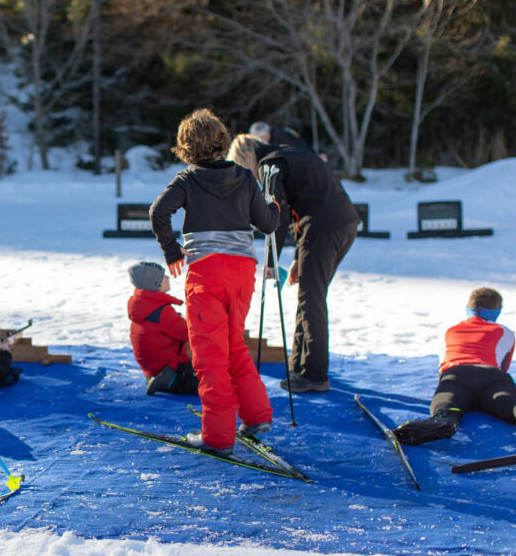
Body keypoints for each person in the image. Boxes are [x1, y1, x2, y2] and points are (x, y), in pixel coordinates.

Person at [149, 109, 281, 457]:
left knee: (210, 355)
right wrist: (274, 206)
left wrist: (172, 251)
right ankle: (257, 416)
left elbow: (158, 212)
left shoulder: (187, 179)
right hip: (241, 273)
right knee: (233, 344)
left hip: (206, 274)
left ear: (186, 147)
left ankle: (218, 437)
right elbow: (267, 224)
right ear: (222, 141)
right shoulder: (243, 176)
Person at [227, 134, 358, 393]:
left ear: (246, 159)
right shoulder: (291, 153)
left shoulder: (269, 165)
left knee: (311, 299)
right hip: (343, 224)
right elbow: (307, 198)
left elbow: (276, 211)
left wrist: (270, 261)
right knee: (309, 296)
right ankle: (299, 366)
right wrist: (299, 256)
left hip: (322, 228)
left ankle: (314, 375)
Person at [394, 288, 516, 445]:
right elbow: (504, 366)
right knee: (512, 404)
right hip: (492, 376)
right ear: (497, 310)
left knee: (448, 403)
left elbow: (442, 366)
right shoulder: (504, 331)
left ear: (469, 308)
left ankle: (445, 419)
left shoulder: (451, 330)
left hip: (457, 374)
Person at [126, 262, 199, 396]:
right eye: (163, 276)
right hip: (171, 368)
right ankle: (167, 380)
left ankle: (159, 379)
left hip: (153, 367)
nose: (167, 278)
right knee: (214, 383)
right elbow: (188, 334)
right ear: (156, 285)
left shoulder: (141, 304)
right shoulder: (162, 311)